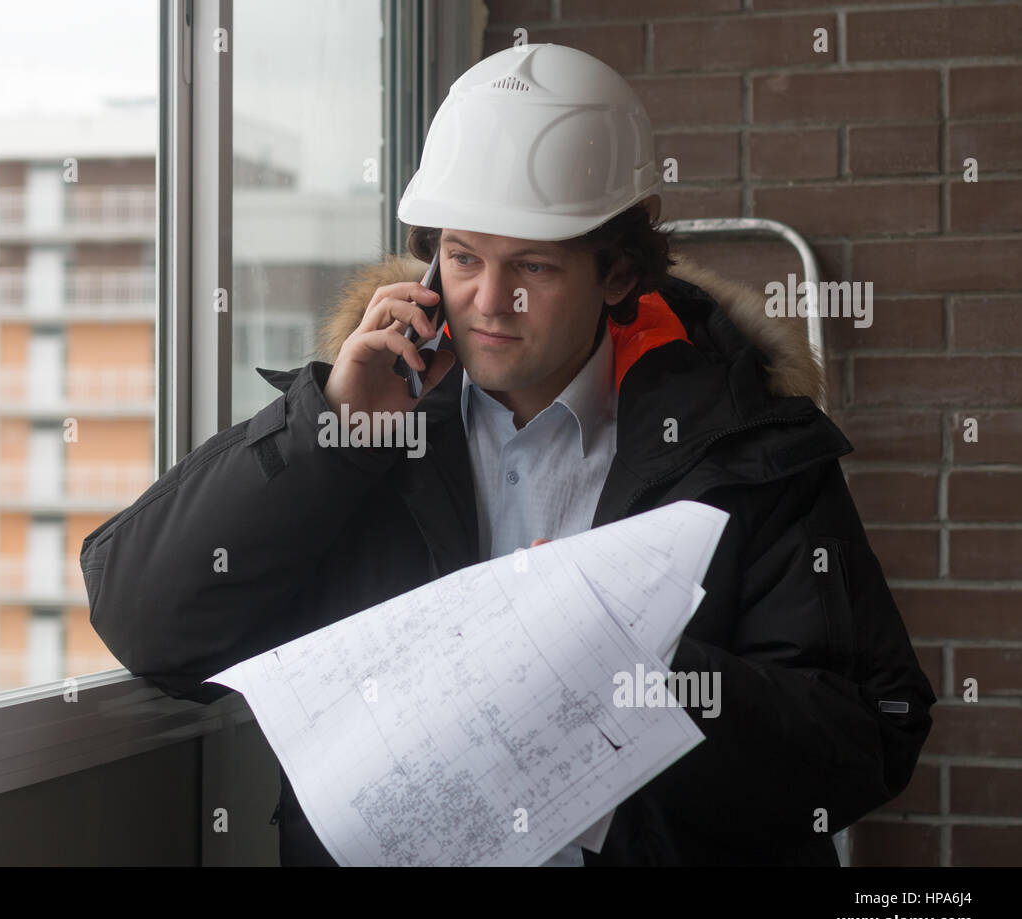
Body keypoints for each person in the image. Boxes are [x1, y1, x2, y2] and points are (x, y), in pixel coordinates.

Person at [80, 43, 934, 866]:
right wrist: (329, 431)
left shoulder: (748, 442)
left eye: (533, 266)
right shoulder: (362, 432)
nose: (490, 301)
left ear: (615, 273)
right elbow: (148, 624)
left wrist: (624, 664)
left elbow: (868, 732)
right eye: (462, 257)